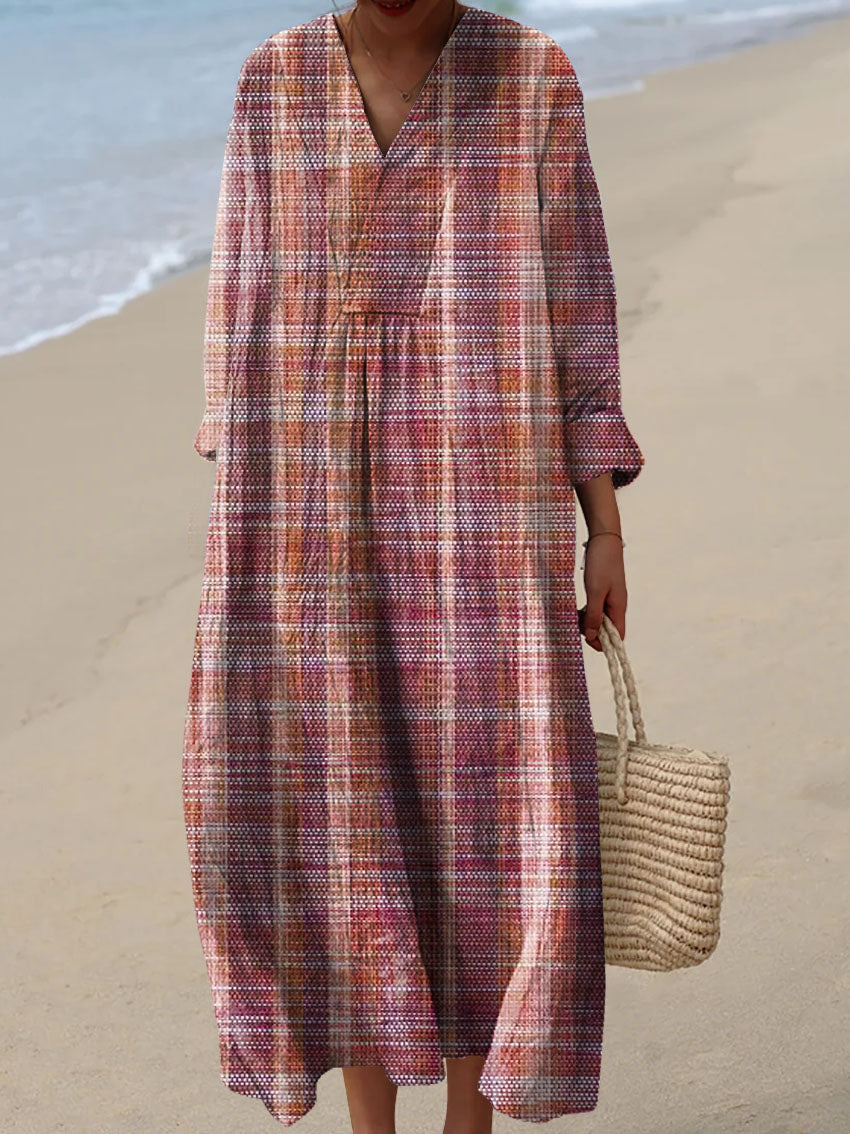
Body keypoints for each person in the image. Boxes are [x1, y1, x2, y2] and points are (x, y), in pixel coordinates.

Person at [183, 3, 645, 1132]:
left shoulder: (531, 76)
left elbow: (579, 314)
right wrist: (248, 514)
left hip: (484, 505)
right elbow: (240, 297)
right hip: (307, 503)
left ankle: (470, 1127)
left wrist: (605, 530)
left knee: (486, 807)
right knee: (334, 801)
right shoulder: (275, 80)